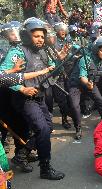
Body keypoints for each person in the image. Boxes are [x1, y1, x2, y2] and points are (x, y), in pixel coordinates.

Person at [1, 18, 65, 180]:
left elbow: (52, 71)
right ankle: (45, 168)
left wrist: (59, 61)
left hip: (40, 97)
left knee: (48, 127)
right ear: (27, 36)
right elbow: (3, 75)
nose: (40, 39)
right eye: (36, 36)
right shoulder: (17, 52)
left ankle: (22, 153)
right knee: (42, 129)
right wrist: (22, 88)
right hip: (24, 99)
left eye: (42, 36)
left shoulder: (43, 52)